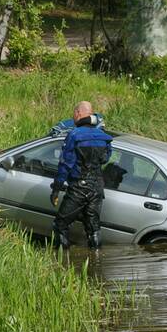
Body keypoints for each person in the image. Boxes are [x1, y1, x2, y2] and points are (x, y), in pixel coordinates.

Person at [50, 101, 113, 250]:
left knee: (60, 224)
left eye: (74, 113)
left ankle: (61, 262)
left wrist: (56, 188)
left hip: (79, 187)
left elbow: (66, 164)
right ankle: (96, 261)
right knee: (93, 228)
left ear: (78, 113)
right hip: (97, 187)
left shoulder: (75, 135)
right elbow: (105, 158)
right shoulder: (105, 137)